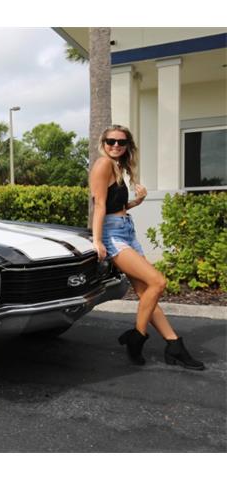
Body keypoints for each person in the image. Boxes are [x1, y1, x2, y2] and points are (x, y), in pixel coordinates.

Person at [89, 125, 204, 370]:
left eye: (121, 142)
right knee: (158, 282)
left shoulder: (118, 167)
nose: (116, 146)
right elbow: (99, 206)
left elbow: (113, 206)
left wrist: (135, 202)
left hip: (125, 230)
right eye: (111, 141)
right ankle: (137, 337)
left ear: (128, 145)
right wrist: (97, 241)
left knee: (146, 294)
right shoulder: (103, 165)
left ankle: (174, 345)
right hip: (112, 236)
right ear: (104, 142)